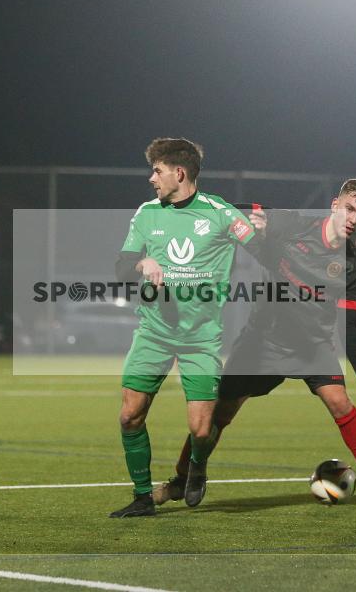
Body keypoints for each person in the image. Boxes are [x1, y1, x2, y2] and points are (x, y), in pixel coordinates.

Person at [153, 179, 356, 516]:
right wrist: (255, 219)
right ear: (334, 205)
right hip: (263, 342)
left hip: (312, 346)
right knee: (218, 415)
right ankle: (181, 480)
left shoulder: (353, 269)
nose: (353, 219)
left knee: (340, 402)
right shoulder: (295, 225)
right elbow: (252, 215)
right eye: (349, 209)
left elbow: (350, 324)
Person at [109, 138, 256, 517]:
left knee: (202, 430)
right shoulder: (146, 213)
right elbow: (121, 267)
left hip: (201, 339)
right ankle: (143, 497)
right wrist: (142, 264)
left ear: (179, 172)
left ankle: (197, 466)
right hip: (153, 333)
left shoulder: (221, 213)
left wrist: (269, 230)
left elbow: (266, 249)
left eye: (156, 170)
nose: (151, 178)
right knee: (129, 416)